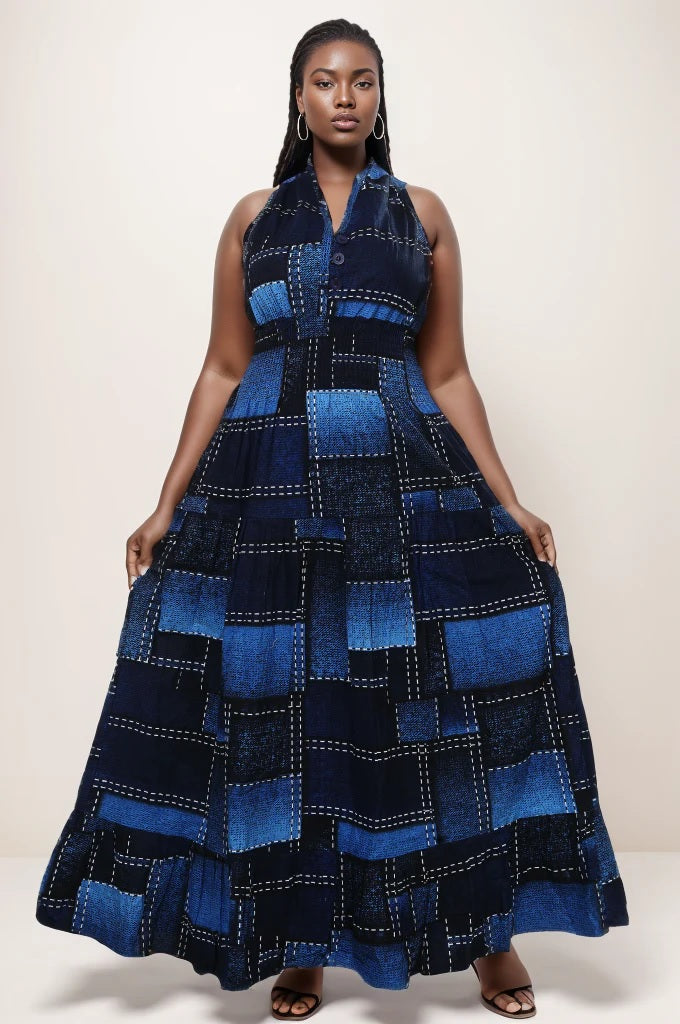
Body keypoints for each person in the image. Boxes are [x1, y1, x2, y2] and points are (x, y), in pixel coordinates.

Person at [35, 18, 629, 1021]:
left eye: (361, 80)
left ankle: (488, 936)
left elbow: (447, 371)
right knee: (290, 716)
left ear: (380, 96)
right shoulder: (254, 218)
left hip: (399, 483)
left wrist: (509, 497)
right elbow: (224, 365)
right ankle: (298, 942)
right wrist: (166, 501)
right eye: (324, 80)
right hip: (269, 493)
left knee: (436, 704)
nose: (344, 97)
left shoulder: (421, 215)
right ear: (298, 96)